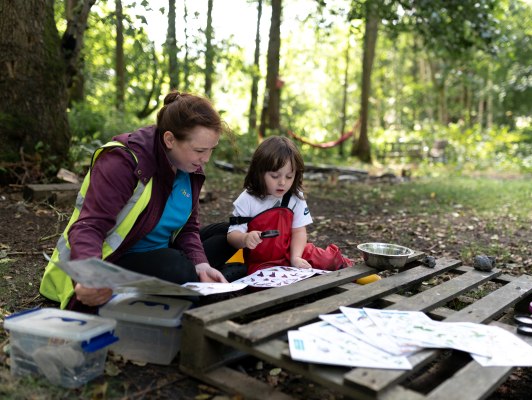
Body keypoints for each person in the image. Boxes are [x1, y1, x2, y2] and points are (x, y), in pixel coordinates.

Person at [40, 91, 237, 311]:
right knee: (177, 267)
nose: (206, 159)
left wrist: (201, 263)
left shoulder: (189, 168)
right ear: (170, 139)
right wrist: (89, 277)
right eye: (200, 150)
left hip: (163, 255)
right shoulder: (123, 162)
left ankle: (199, 280)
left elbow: (188, 227)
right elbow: (89, 226)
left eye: (211, 150)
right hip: (115, 262)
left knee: (228, 234)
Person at [227, 136, 353, 275]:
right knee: (268, 281)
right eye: (275, 176)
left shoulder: (295, 197)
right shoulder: (247, 199)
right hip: (264, 262)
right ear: (259, 173)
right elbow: (232, 235)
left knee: (325, 258)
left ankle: (348, 267)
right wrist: (244, 239)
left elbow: (299, 231)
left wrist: (296, 257)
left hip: (293, 252)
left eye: (289, 177)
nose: (282, 183)